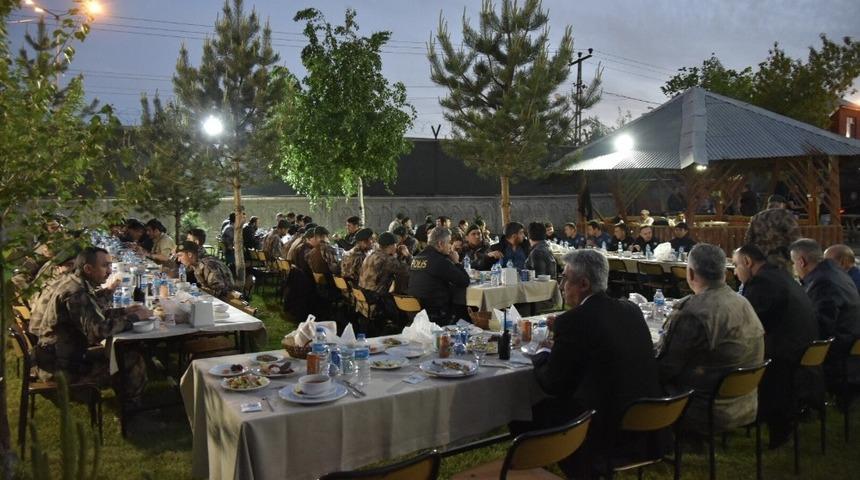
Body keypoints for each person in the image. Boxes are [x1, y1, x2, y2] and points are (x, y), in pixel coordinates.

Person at [518, 249, 666, 477]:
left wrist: (539, 355)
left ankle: (542, 469)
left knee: (522, 411)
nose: (561, 284)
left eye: (565, 278)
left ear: (584, 284)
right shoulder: (631, 310)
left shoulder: (573, 321)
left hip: (603, 428)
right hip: (648, 422)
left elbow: (553, 384)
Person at [657, 243, 765, 434]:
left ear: (690, 273)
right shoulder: (742, 302)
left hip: (705, 407)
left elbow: (666, 367)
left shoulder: (693, 312)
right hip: (745, 401)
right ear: (725, 272)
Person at [31, 247, 150, 405]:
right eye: (105, 266)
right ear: (88, 268)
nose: (109, 271)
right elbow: (98, 331)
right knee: (130, 358)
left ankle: (125, 402)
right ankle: (132, 411)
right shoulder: (76, 292)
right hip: (61, 368)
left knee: (122, 351)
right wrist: (134, 318)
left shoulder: (73, 282)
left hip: (55, 357)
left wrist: (124, 311)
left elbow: (91, 315)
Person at [733, 244, 821, 447]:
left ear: (748, 262)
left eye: (736, 266)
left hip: (785, 356)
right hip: (805, 348)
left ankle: (738, 417)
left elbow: (747, 323)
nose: (736, 273)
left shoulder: (762, 283)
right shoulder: (780, 275)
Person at [789, 239, 860, 386]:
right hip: (851, 338)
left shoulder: (822, 282)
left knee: (782, 353)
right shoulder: (836, 272)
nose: (793, 268)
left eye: (793, 263)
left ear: (801, 262)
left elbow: (821, 324)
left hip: (839, 348)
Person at [407, 227, 470, 325]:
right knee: (466, 311)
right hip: (436, 314)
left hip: (415, 313)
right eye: (449, 242)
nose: (450, 246)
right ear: (440, 244)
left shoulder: (417, 258)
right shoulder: (439, 261)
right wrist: (456, 262)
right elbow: (464, 281)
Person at [745, 195, 800, 272]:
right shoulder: (786, 216)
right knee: (783, 282)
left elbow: (748, 239)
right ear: (782, 204)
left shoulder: (756, 217)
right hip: (781, 259)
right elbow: (795, 238)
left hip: (760, 259)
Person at [359, 232, 411, 297]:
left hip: (364, 296)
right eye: (395, 244)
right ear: (391, 246)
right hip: (377, 299)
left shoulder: (371, 255)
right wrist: (408, 255)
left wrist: (398, 256)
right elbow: (409, 270)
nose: (396, 247)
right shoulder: (387, 260)